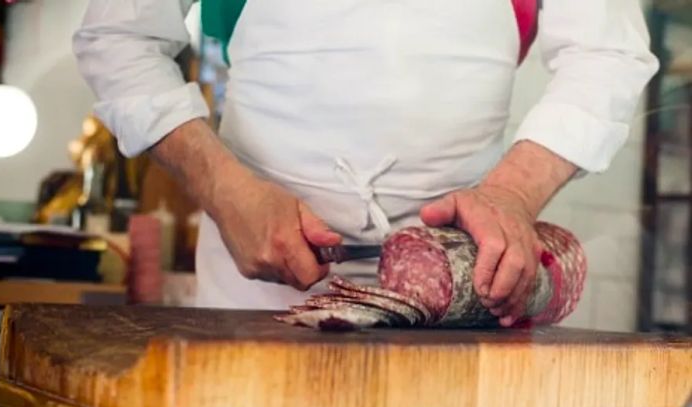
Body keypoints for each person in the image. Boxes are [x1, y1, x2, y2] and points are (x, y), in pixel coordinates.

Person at [73, 0, 658, 327]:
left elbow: (609, 51)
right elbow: (119, 39)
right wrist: (228, 193)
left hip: (459, 289)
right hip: (257, 293)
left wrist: (512, 196)